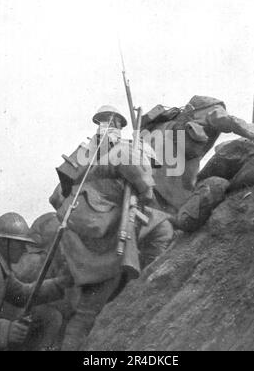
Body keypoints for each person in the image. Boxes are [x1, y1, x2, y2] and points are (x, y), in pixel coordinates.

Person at [49, 105, 174, 351]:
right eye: (108, 121)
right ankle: (145, 285)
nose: (108, 125)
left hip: (77, 233)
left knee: (87, 305)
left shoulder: (82, 153)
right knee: (162, 230)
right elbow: (142, 181)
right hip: (107, 233)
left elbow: (55, 198)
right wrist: (144, 187)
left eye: (109, 121)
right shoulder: (123, 149)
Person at [141, 96, 254, 216]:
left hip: (149, 177)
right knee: (178, 208)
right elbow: (222, 118)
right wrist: (250, 130)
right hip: (174, 176)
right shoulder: (214, 108)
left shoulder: (167, 122)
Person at [0, 212, 73, 351]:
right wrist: (5, 331)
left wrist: (61, 284)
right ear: (3, 241)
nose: (25, 249)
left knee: (49, 316)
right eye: (20, 243)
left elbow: (23, 294)